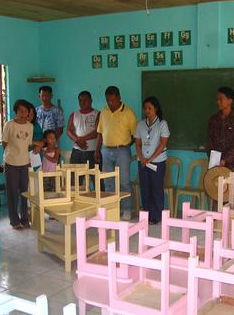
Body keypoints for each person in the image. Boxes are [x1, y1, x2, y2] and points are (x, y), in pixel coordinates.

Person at [95, 86, 137, 221]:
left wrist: (125, 146)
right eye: (108, 100)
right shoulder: (104, 111)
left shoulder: (129, 112)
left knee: (124, 182)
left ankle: (127, 210)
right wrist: (97, 150)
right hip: (106, 150)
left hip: (122, 151)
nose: (110, 103)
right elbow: (100, 133)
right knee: (108, 182)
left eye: (113, 100)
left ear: (119, 98)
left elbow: (135, 135)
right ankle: (112, 210)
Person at [135, 97, 170, 224]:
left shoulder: (162, 124)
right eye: (145, 108)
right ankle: (146, 215)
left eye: (150, 108)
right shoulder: (140, 124)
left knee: (156, 188)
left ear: (156, 108)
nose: (147, 111)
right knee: (145, 188)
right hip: (143, 162)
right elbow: (138, 143)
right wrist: (142, 158)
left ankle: (156, 216)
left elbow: (163, 143)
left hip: (157, 161)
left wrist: (151, 158)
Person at [2, 100, 34, 230]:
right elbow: (4, 143)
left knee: (24, 192)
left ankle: (25, 219)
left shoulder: (29, 126)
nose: (23, 113)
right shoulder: (9, 124)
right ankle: (14, 221)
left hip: (25, 163)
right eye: (20, 111)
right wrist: (11, 155)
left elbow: (28, 144)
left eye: (26, 111)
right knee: (12, 193)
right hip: (11, 163)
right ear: (16, 111)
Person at [206, 86, 234, 174]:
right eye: (217, 99)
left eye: (221, 99)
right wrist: (213, 159)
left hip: (232, 164)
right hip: (215, 163)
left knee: (230, 187)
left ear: (230, 101)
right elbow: (209, 141)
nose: (218, 102)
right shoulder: (214, 119)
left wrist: (224, 160)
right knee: (214, 186)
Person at [67, 91, 99, 169]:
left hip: (92, 151)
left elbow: (96, 132)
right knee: (74, 178)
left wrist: (80, 139)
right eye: (80, 100)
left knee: (96, 178)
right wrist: (78, 141)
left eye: (85, 100)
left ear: (91, 101)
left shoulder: (97, 114)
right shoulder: (74, 114)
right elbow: (69, 130)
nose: (82, 102)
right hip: (77, 151)